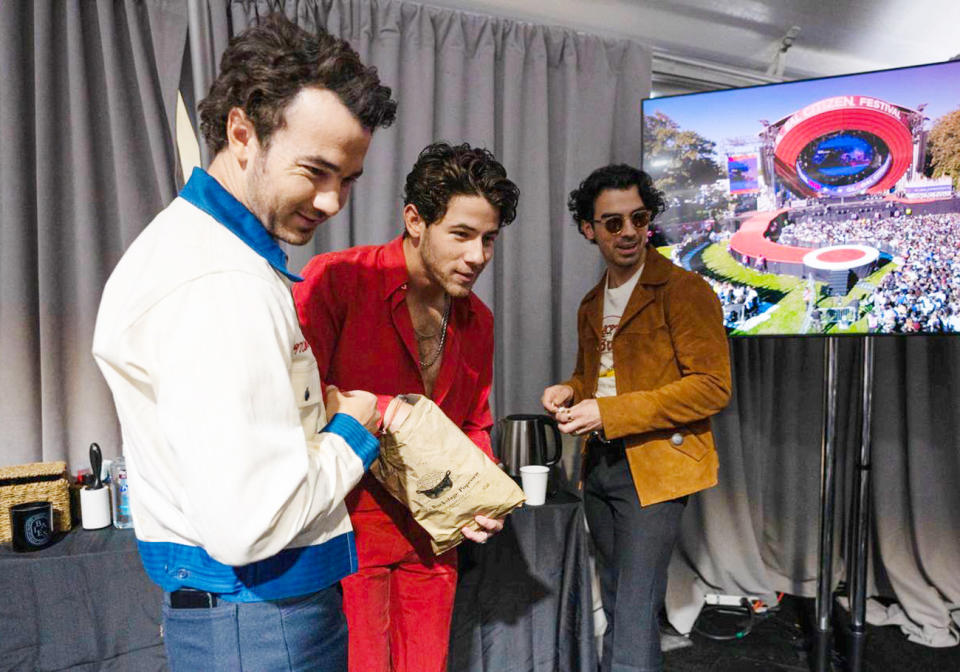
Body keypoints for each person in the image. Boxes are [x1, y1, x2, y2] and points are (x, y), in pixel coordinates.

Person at [92, 15, 397, 671]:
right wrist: (352, 429)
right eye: (315, 170)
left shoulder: (202, 251)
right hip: (262, 622)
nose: (332, 201)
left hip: (239, 619)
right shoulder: (221, 281)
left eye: (348, 179)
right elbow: (251, 524)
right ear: (240, 133)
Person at [293, 142, 520, 672]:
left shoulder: (478, 321)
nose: (478, 256)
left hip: (434, 537)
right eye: (462, 235)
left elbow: (473, 425)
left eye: (489, 239)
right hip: (345, 532)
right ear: (415, 220)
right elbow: (295, 399)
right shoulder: (337, 280)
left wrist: (482, 494)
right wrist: (390, 410)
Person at [541, 164, 731, 672]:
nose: (628, 232)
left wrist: (607, 410)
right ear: (589, 229)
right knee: (619, 593)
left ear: (649, 221)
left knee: (630, 608)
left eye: (638, 218)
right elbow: (596, 376)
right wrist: (570, 389)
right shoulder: (591, 303)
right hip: (599, 461)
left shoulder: (684, 290)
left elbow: (712, 388)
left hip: (657, 466)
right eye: (612, 222)